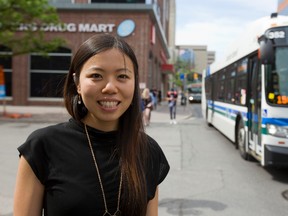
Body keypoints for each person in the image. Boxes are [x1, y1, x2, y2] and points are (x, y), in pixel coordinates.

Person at [13, 34, 170, 216]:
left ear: (134, 83)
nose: (110, 87)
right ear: (77, 83)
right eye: (96, 75)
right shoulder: (42, 146)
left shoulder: (149, 151)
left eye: (122, 76)